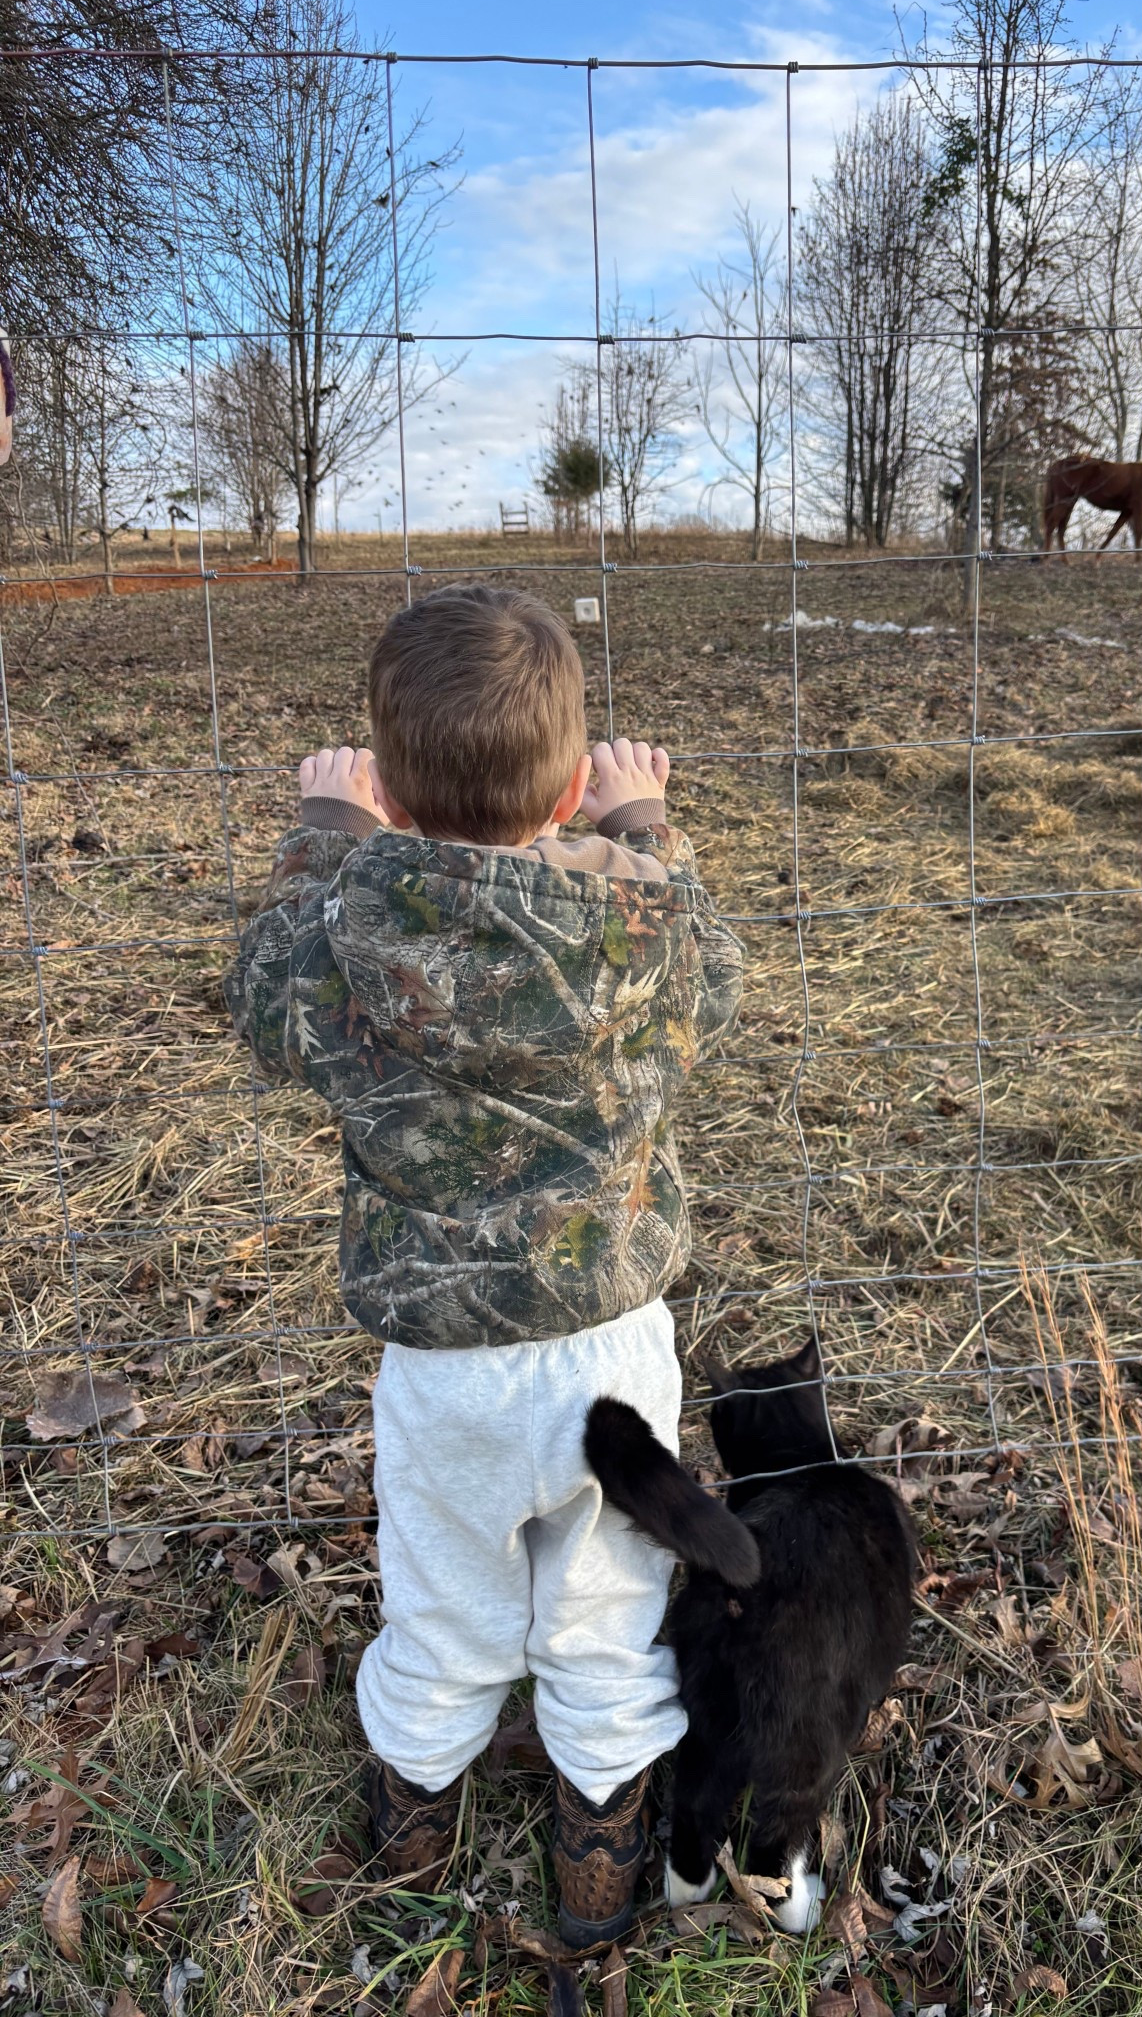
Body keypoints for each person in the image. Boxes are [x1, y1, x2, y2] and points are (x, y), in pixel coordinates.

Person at [225, 583, 744, 1946]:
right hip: (611, 1353)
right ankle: (596, 1868)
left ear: (391, 787)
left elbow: (262, 1000)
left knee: (444, 1602)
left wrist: (320, 836)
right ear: (571, 785)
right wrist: (646, 824)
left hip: (444, 1365)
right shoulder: (646, 932)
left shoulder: (348, 933)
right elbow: (720, 972)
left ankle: (407, 1843)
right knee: (604, 1609)